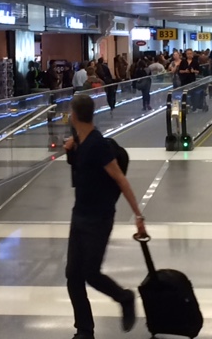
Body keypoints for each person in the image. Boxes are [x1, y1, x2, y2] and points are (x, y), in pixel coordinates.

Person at [64, 94, 146, 339]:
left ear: (75, 115)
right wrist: (71, 150)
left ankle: (125, 297)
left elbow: (120, 179)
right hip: (79, 216)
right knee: (72, 276)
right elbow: (81, 176)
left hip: (98, 219)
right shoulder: (81, 142)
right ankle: (85, 330)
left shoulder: (98, 145)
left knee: (90, 272)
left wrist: (138, 215)